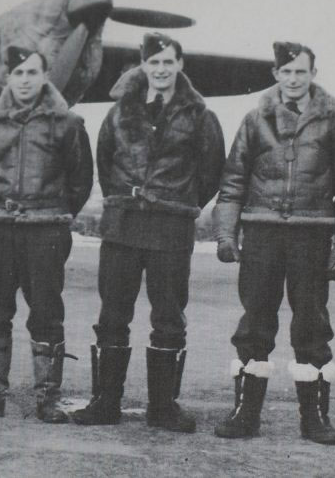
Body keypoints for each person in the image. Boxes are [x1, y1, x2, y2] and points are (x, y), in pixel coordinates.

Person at [212, 42, 335, 444]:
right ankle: (245, 414)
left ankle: (314, 418)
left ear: (313, 74)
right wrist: (226, 233)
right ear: (276, 75)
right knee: (254, 321)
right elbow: (232, 183)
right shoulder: (254, 121)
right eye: (286, 72)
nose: (294, 79)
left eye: (301, 71)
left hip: (311, 234)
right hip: (261, 232)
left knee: (312, 324)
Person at [71, 32, 225, 431]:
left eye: (167, 62)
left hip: (170, 228)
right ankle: (105, 402)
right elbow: (105, 162)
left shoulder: (200, 116)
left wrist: (175, 200)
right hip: (122, 225)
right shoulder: (119, 112)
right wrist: (125, 198)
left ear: (180, 65)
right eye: (153, 62)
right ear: (143, 66)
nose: (160, 69)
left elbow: (211, 173)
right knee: (112, 313)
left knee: (169, 316)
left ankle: (163, 407)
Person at [0, 46, 94, 423]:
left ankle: (47, 398)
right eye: (18, 73)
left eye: (32, 72)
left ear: (45, 77)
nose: (24, 80)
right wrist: (0, 212)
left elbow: (80, 181)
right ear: (7, 78)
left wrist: (51, 215)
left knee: (47, 311)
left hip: (45, 230)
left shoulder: (69, 124)